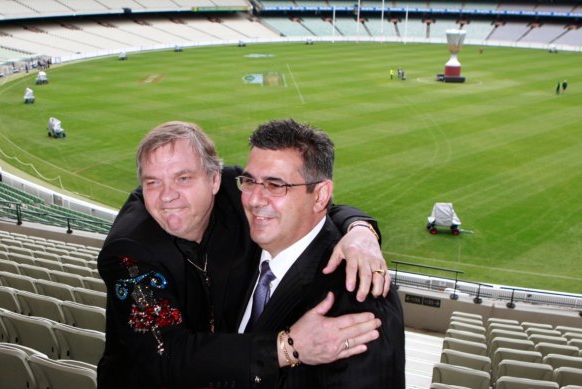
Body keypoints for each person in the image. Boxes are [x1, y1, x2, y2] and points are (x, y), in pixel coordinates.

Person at [97, 121, 390, 389]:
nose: (167, 196)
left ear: (214, 180)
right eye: (152, 182)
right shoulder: (128, 252)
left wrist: (361, 231)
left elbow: (304, 205)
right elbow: (165, 355)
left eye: (183, 178)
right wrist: (286, 347)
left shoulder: (236, 189)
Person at [237, 118, 405, 388]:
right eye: (249, 181)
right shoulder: (242, 248)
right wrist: (361, 226)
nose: (254, 199)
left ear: (320, 195)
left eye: (275, 185)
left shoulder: (361, 298)